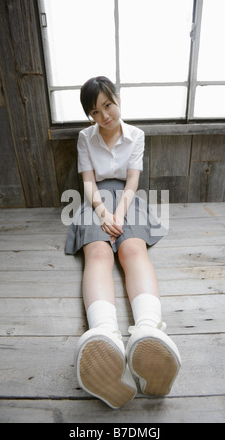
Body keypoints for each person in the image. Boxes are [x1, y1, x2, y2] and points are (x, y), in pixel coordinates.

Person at [65, 76, 181, 409]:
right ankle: (105, 336)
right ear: (90, 116)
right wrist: (102, 213)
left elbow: (132, 183)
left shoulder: (136, 136)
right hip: (95, 200)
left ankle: (148, 331)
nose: (104, 115)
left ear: (117, 99)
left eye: (108, 105)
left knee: (132, 248)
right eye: (95, 111)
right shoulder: (85, 138)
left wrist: (118, 213)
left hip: (127, 201)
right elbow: (87, 181)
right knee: (98, 253)